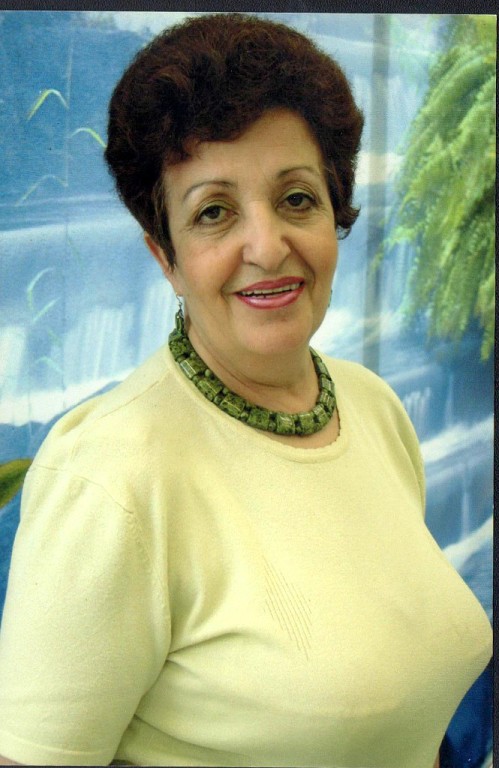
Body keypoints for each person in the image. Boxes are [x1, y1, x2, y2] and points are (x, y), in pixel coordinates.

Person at [0, 13, 492, 768]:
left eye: (296, 199)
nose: (266, 247)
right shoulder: (109, 480)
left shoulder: (372, 407)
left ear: (334, 213)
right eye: (214, 212)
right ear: (164, 257)